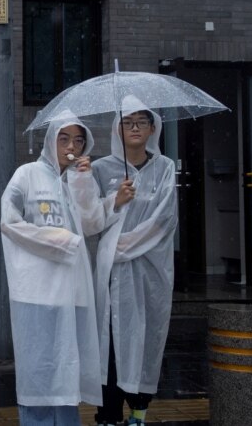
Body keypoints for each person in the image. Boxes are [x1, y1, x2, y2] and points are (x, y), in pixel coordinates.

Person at [1, 111, 115, 425]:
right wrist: (61, 240)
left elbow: (92, 224)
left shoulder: (81, 178)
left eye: (79, 140)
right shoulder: (26, 175)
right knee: (37, 370)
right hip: (35, 291)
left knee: (67, 369)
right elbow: (9, 223)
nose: (71, 146)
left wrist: (83, 182)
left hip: (74, 290)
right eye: (64, 138)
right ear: (51, 140)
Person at [89, 96, 178, 426]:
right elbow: (89, 221)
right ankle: (108, 415)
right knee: (109, 343)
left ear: (153, 128)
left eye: (142, 121)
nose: (136, 128)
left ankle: (139, 411)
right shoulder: (101, 169)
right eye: (128, 122)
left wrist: (119, 246)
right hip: (111, 276)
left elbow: (164, 219)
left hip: (150, 272)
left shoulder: (164, 168)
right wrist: (115, 200)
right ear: (117, 129)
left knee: (146, 337)